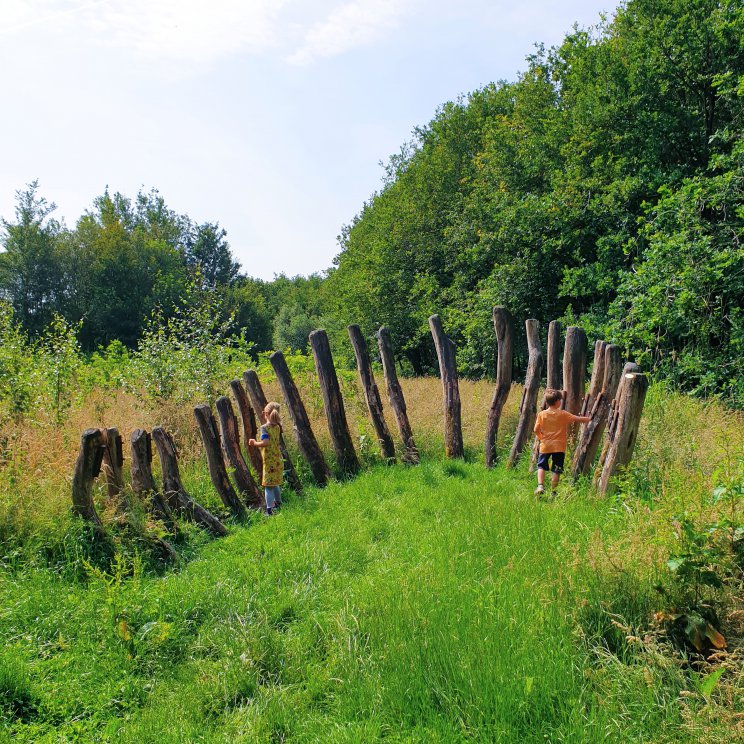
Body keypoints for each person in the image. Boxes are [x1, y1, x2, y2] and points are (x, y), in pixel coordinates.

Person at [533, 389, 590, 496]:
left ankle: (540, 485)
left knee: (541, 466)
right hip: (559, 447)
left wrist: (541, 438)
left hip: (545, 445)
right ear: (558, 401)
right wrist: (589, 419)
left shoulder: (541, 414)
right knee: (556, 469)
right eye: (560, 399)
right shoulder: (562, 414)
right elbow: (577, 419)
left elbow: (536, 429)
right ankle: (553, 492)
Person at [248, 401, 284, 515]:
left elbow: (265, 442)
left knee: (268, 486)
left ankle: (269, 510)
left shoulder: (264, 428)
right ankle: (278, 503)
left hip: (269, 462)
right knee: (275, 483)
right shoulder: (277, 427)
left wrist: (254, 443)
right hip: (278, 460)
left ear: (265, 413)